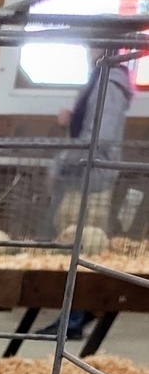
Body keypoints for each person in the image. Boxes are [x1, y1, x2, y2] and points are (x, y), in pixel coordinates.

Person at [37, 49, 134, 340]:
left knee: (80, 244)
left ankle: (76, 316)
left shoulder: (109, 84)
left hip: (91, 181)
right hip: (83, 177)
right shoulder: (102, 80)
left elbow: (98, 139)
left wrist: (59, 162)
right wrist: (72, 120)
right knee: (71, 241)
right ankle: (77, 313)